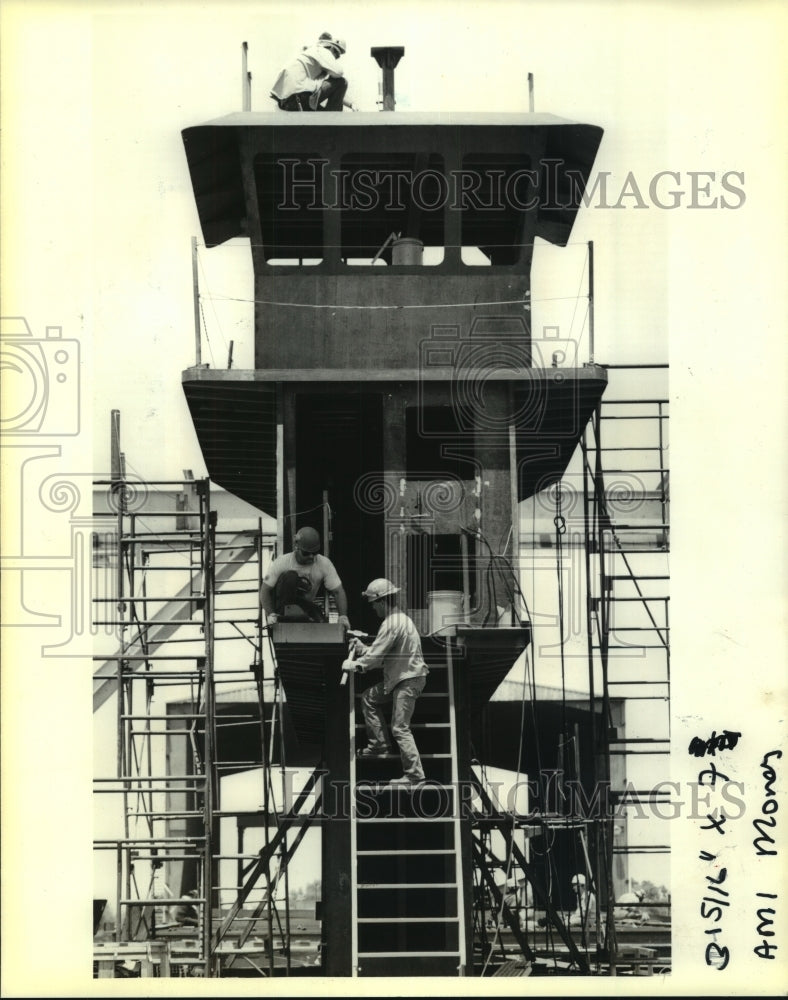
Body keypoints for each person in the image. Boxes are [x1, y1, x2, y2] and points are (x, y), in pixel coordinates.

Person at [342, 578, 428, 786]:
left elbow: (375, 659)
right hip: (402, 678)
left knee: (400, 728)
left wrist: (354, 665)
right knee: (369, 698)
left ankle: (415, 776)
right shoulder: (398, 620)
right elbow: (379, 651)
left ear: (381, 601)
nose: (372, 608)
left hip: (407, 680)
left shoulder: (392, 623)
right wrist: (361, 648)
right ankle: (379, 745)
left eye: (373, 604)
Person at [260, 526, 350, 628]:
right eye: (306, 553)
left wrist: (343, 616)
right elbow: (264, 591)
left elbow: (338, 591)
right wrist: (271, 614)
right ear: (297, 547)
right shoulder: (282, 562)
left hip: (303, 606)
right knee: (291, 576)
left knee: (320, 621)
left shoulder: (324, 564)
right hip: (281, 610)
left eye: (314, 553)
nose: (311, 556)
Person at [270, 34, 358, 112]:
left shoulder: (309, 55)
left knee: (322, 116)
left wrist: (351, 104)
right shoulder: (322, 51)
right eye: (337, 53)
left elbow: (336, 94)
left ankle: (329, 121)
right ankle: (333, 121)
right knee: (342, 82)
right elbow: (339, 73)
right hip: (300, 98)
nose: (336, 57)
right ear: (330, 47)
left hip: (287, 102)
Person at [567, 872, 597, 937]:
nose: (573, 887)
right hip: (582, 918)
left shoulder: (588, 896)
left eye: (575, 885)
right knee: (567, 920)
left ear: (582, 885)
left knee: (568, 922)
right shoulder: (579, 896)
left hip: (588, 920)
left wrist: (572, 917)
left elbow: (585, 913)